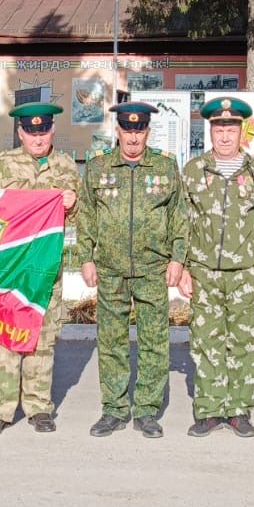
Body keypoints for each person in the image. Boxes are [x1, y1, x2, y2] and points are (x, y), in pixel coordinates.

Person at [79, 101, 184, 439]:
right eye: (128, 129)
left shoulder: (166, 168)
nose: (133, 137)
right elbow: (86, 216)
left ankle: (148, 410)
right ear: (119, 131)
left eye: (139, 130)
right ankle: (114, 408)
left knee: (155, 341)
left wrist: (178, 259)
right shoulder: (97, 168)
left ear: (147, 132)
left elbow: (178, 217)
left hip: (153, 267)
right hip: (110, 269)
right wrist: (86, 257)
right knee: (111, 341)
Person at [0, 102, 78, 436]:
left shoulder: (65, 165)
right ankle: (1, 410)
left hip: (46, 269)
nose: (38, 138)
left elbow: (81, 216)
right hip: (10, 268)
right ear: (20, 132)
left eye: (44, 130)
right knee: (4, 338)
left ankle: (38, 407)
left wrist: (72, 205)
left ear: (52, 130)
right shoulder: (3, 166)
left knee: (42, 338)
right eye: (32, 132)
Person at [179, 96, 254, 437]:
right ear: (211, 131)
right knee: (205, 340)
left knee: (246, 342)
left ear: (242, 131)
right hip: (204, 271)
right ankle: (209, 409)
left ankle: (239, 410)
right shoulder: (193, 171)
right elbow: (183, 223)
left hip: (246, 272)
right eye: (219, 128)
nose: (225, 135)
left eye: (231, 128)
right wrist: (185, 268)